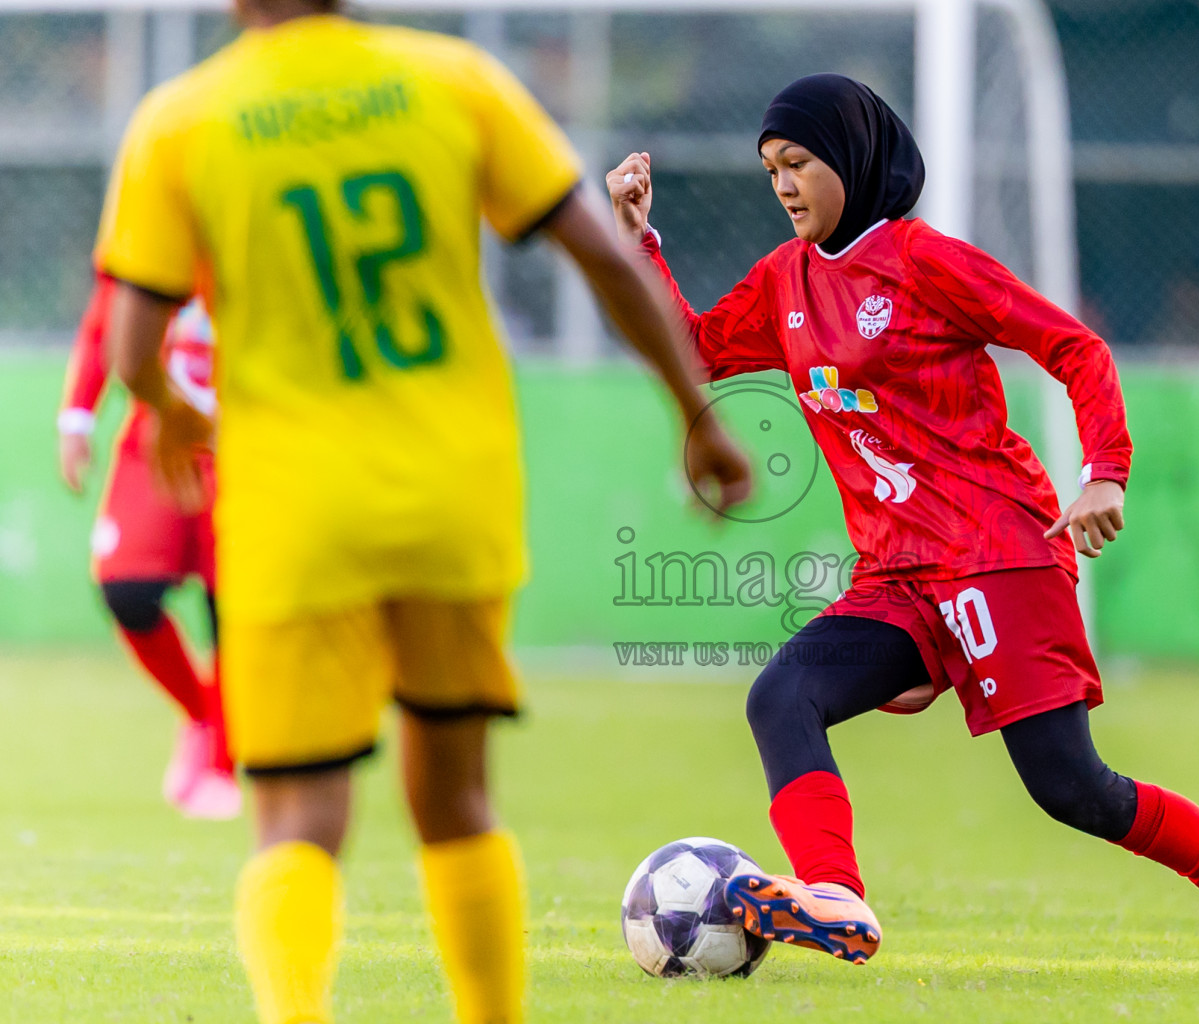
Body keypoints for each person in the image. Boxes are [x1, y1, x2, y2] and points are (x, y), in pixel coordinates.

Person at [94, 0, 751, 1020]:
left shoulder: (182, 120)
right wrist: (694, 412)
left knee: (298, 814)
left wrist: (170, 410)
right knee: (455, 797)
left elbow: (132, 346)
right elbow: (601, 256)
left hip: (295, 507)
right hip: (452, 493)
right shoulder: (455, 80)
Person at [607, 73, 1199, 986]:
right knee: (780, 697)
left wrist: (1104, 471)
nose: (784, 185)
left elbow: (1075, 348)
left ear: (853, 159)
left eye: (798, 162)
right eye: (770, 170)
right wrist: (640, 242)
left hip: (998, 553)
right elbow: (697, 350)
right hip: (898, 577)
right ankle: (836, 895)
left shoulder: (925, 262)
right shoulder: (785, 279)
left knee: (1073, 789)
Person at [58, 272, 237, 819]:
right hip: (158, 433)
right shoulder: (152, 228)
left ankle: (222, 764)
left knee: (234, 606)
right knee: (128, 591)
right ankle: (202, 715)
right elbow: (110, 312)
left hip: (246, 443)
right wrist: (78, 415)